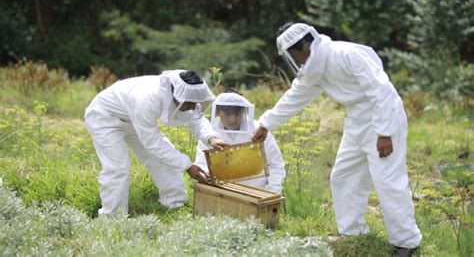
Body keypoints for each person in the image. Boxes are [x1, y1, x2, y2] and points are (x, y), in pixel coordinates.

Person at [252, 22, 421, 256]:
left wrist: (385, 132)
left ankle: (406, 242)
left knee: (387, 181)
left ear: (302, 48)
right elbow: (295, 97)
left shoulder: (346, 54)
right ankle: (353, 232)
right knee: (343, 175)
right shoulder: (315, 70)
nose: (295, 60)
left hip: (383, 116)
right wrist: (265, 124)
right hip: (356, 120)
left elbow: (382, 91)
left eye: (292, 54)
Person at [84, 69, 229, 215]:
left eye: (196, 103)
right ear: (177, 96)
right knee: (118, 167)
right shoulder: (147, 98)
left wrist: (211, 137)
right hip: (105, 116)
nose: (193, 107)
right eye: (190, 103)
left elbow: (196, 118)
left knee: (164, 158)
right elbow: (153, 143)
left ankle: (174, 205)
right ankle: (113, 218)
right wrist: (187, 166)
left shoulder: (185, 94)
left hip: (133, 117)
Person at [195, 88, 286, 193]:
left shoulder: (259, 130)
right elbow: (202, 163)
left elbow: (275, 163)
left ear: (243, 111)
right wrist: (206, 175)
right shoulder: (209, 134)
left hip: (257, 192)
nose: (232, 119)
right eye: (228, 114)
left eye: (237, 114)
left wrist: (272, 192)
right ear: (218, 112)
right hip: (222, 194)